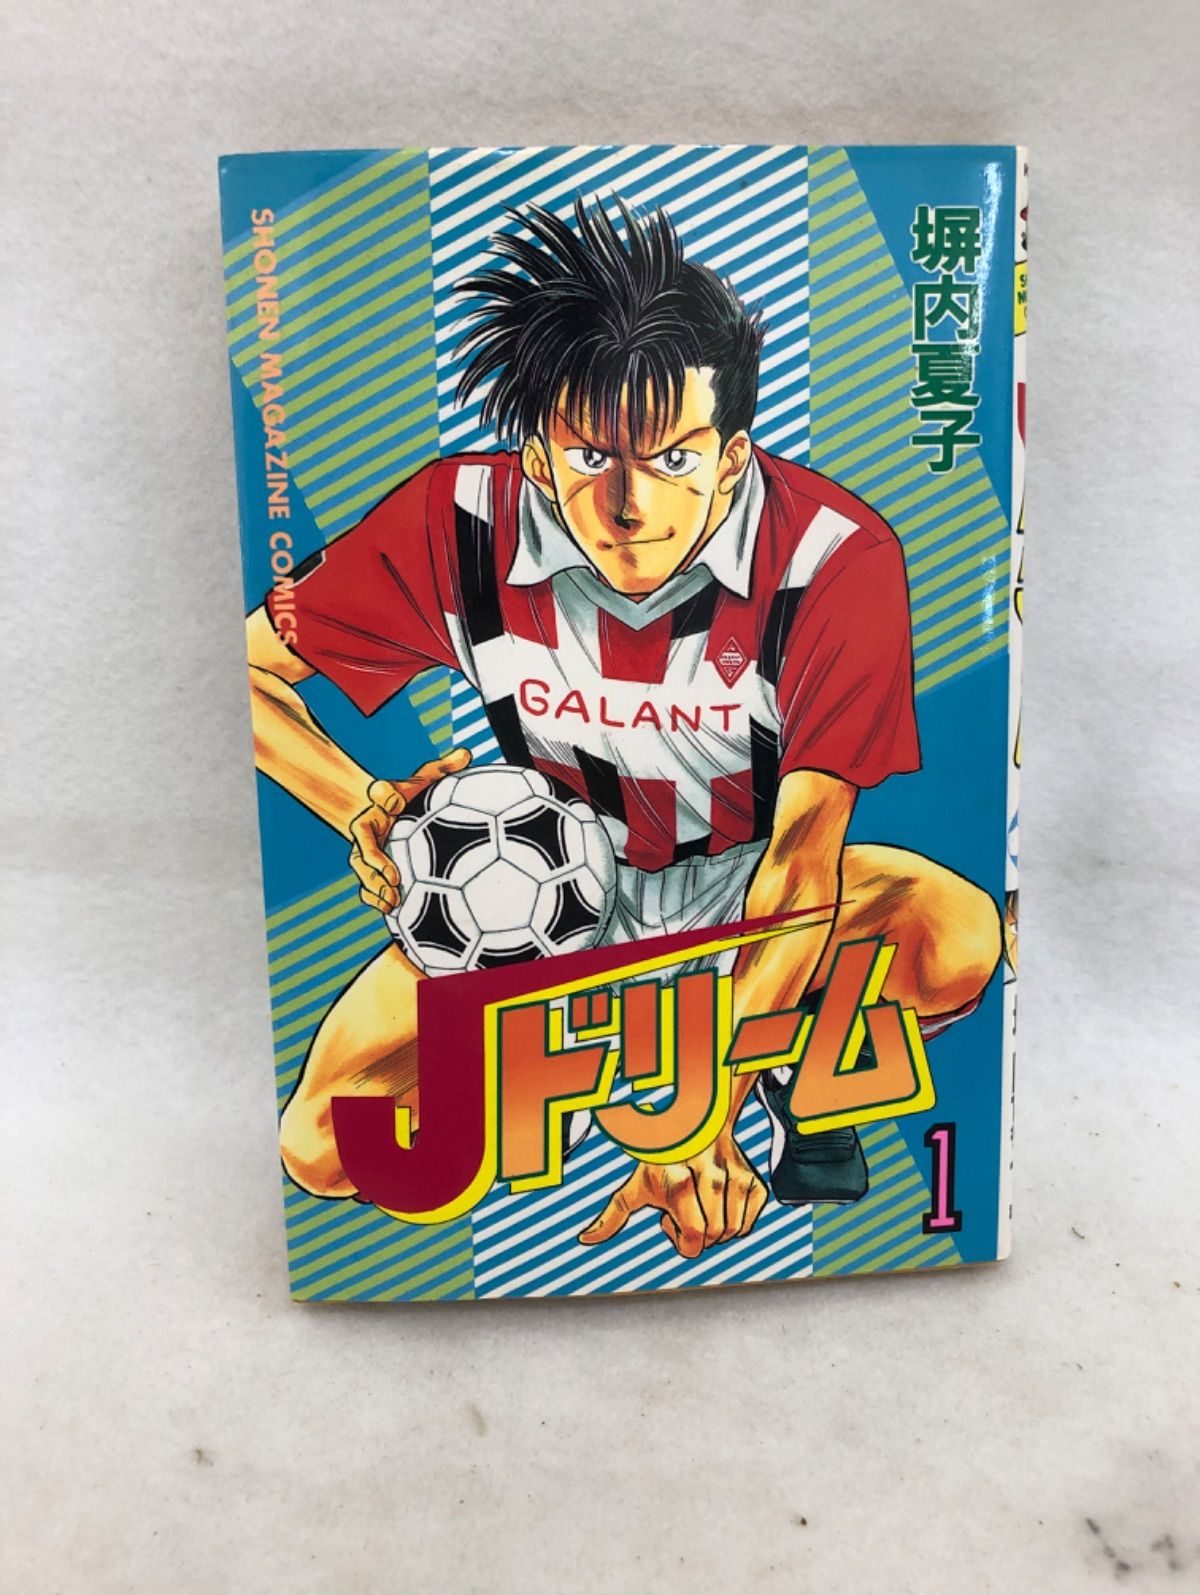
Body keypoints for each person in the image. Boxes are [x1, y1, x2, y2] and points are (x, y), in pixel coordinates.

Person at [246, 196, 1001, 1258]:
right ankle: (585, 1072)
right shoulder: (455, 524)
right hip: (533, 912)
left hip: (745, 897)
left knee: (959, 939)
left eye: (674, 461)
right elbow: (249, 669)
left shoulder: (834, 557)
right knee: (324, 1147)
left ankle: (768, 1059)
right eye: (592, 456)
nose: (631, 504)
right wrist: (359, 802)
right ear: (539, 455)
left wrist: (700, 1111)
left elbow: (800, 867)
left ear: (732, 458)